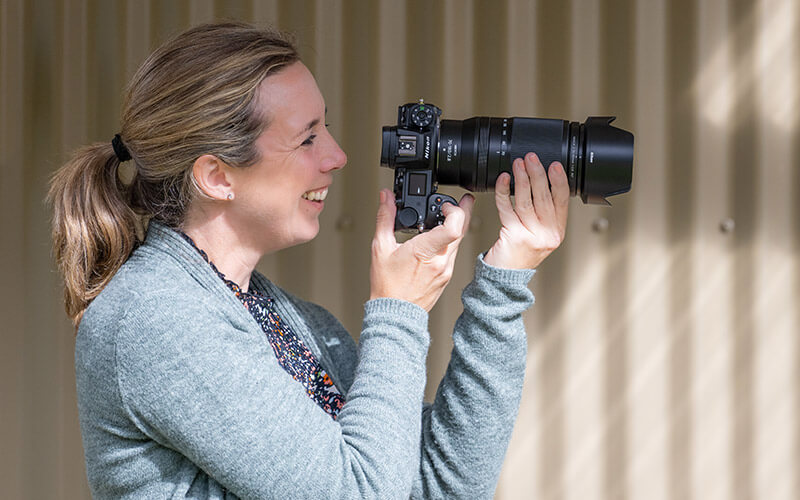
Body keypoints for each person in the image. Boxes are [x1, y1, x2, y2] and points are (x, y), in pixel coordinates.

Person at [47, 22, 568, 499]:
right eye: (307, 138)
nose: (337, 156)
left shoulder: (300, 327)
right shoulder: (154, 319)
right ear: (216, 176)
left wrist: (504, 282)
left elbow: (440, 488)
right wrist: (398, 312)